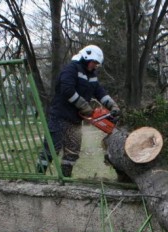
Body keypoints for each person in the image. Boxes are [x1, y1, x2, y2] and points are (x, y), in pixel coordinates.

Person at [36, 45, 120, 177]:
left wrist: (112, 105)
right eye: (94, 63)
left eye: (97, 64)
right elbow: (67, 90)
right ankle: (38, 177)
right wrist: (84, 106)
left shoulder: (91, 75)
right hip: (60, 116)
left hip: (75, 120)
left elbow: (99, 91)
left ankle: (65, 179)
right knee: (52, 148)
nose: (95, 66)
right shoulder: (71, 69)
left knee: (72, 152)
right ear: (87, 57)